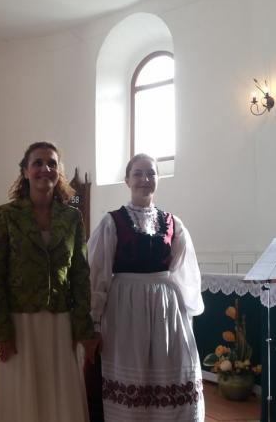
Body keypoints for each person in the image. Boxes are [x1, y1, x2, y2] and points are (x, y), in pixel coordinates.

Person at [0, 141, 98, 422]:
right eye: (38, 163)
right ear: (25, 171)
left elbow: (80, 274)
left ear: (59, 171)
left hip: (59, 323)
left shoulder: (72, 217)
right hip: (18, 323)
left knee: (57, 396)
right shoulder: (6, 215)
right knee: (19, 396)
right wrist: (1, 330)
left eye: (52, 163)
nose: (45, 169)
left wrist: (83, 328)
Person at [87, 153, 205, 422]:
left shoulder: (174, 223)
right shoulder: (111, 222)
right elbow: (97, 273)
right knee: (133, 371)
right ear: (127, 180)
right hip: (125, 308)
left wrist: (185, 314)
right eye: (138, 173)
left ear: (158, 179)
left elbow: (184, 270)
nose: (145, 179)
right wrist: (93, 321)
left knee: (172, 370)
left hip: (166, 308)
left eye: (151, 173)